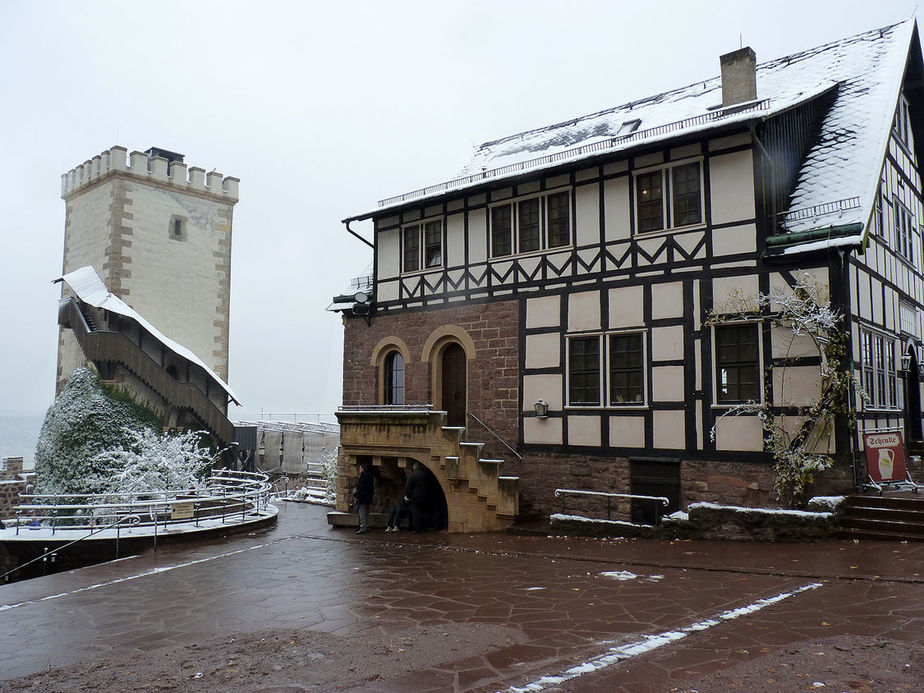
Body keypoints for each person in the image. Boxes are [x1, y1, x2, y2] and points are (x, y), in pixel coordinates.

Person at [404, 461, 429, 533]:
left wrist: (408, 496)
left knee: (415, 513)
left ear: (414, 467)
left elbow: (408, 486)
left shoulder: (412, 475)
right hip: (424, 496)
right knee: (424, 512)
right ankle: (424, 527)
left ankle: (417, 528)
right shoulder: (425, 474)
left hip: (415, 497)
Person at [353, 462, 374, 534]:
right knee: (367, 513)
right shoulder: (370, 476)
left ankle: (363, 527)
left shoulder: (363, 477)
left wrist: (357, 496)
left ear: (362, 469)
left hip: (362, 498)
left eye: (360, 469)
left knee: (362, 513)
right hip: (368, 497)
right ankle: (367, 526)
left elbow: (361, 488)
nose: (359, 470)